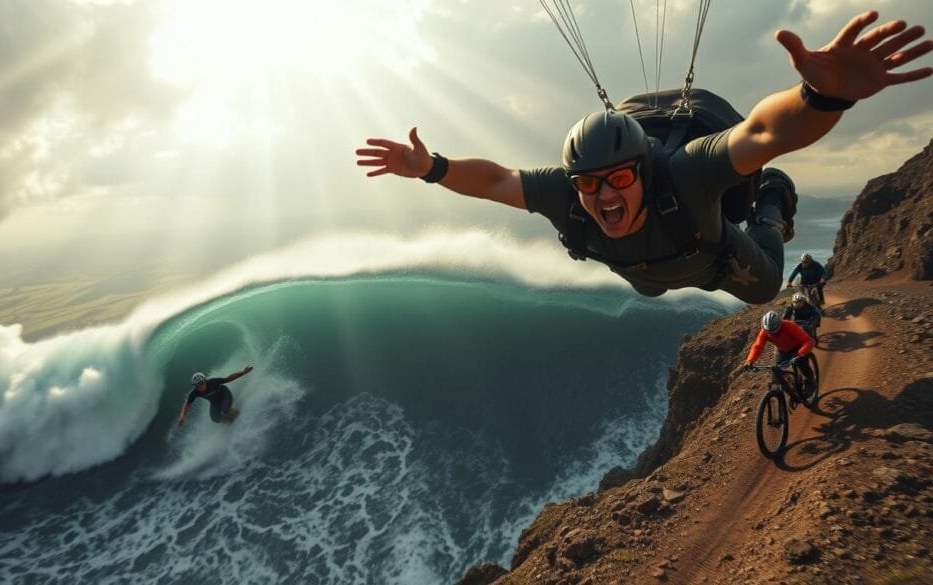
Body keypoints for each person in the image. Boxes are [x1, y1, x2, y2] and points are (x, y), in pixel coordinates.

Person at [356, 11, 932, 305]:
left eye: (620, 179)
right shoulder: (571, 195)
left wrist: (823, 95)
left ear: (645, 170)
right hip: (651, 269)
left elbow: (763, 133)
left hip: (713, 254)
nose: (603, 196)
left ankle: (772, 198)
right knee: (651, 286)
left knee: (764, 286)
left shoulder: (685, 173)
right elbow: (500, 179)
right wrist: (432, 167)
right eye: (589, 184)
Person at [744, 311, 817, 396]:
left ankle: (810, 381)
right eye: (770, 332)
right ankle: (789, 390)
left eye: (775, 330)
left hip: (798, 348)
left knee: (802, 363)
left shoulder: (789, 326)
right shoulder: (764, 332)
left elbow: (808, 341)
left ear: (780, 324)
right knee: (777, 372)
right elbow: (758, 346)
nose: (773, 333)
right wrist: (750, 360)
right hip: (783, 350)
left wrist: (800, 354)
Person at [177, 366, 253, 427]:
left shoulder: (213, 382)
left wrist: (243, 372)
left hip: (224, 395)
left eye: (201, 383)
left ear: (205, 380)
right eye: (197, 385)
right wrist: (182, 416)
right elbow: (187, 404)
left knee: (225, 410)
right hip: (215, 402)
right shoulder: (195, 392)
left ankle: (239, 416)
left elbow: (228, 378)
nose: (200, 386)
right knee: (215, 418)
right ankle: (231, 422)